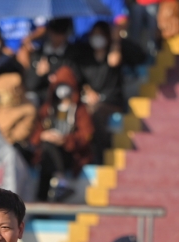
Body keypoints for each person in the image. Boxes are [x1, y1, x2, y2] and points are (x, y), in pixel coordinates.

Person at [70, 20, 148, 163]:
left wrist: (116, 41)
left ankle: (102, 155)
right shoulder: (85, 57)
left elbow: (138, 57)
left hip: (111, 102)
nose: (96, 38)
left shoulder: (115, 52)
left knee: (96, 115)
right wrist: (87, 90)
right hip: (90, 103)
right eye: (94, 34)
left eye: (100, 34)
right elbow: (78, 79)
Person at [31, 66, 93, 201]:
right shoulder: (48, 109)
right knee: (47, 150)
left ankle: (41, 197)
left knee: (48, 153)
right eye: (60, 85)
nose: (63, 89)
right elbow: (36, 133)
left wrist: (65, 140)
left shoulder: (79, 110)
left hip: (70, 154)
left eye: (66, 85)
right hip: (48, 153)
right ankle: (59, 183)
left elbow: (86, 135)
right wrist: (43, 135)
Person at [18, 17, 77, 103]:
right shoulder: (38, 54)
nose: (57, 37)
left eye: (61, 33)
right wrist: (39, 74)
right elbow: (30, 85)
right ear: (49, 32)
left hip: (66, 95)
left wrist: (55, 76)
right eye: (55, 32)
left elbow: (77, 78)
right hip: (42, 97)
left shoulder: (72, 53)